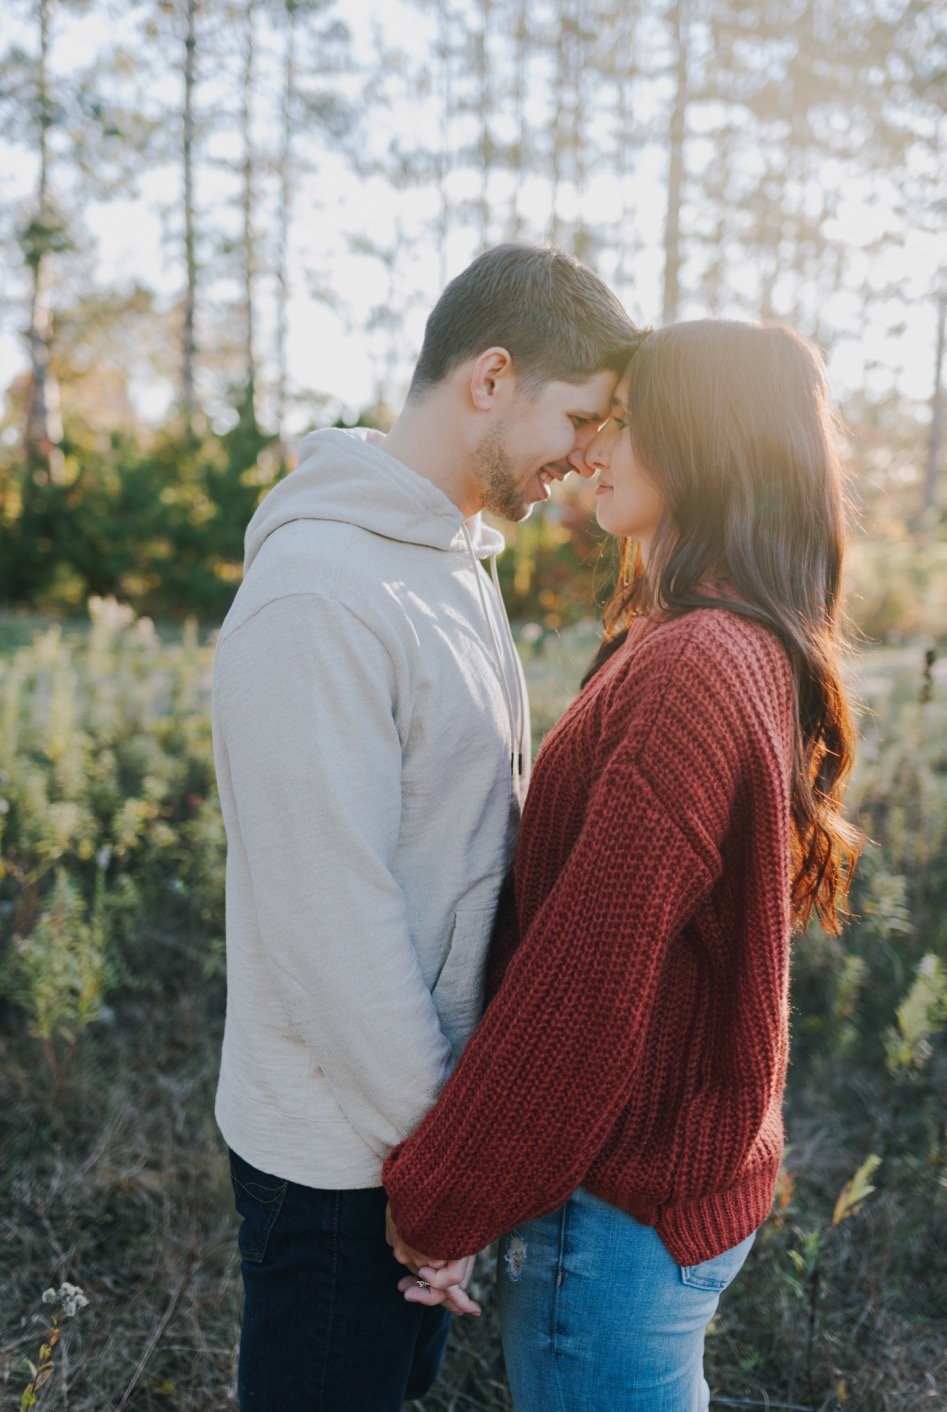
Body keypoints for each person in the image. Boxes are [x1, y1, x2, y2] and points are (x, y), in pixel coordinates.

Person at [379, 319, 861, 1411]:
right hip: (667, 1202)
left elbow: (585, 986)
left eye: (624, 423)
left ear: (707, 442)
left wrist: (443, 1200)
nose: (590, 448)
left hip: (617, 1223)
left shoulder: (696, 659)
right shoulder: (725, 636)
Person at [211, 242, 637, 1410]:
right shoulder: (319, 593)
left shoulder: (449, 559)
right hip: (347, 1158)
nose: (590, 457)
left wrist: (455, 1160)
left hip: (419, 1144)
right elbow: (328, 919)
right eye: (583, 416)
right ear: (492, 378)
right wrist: (440, 1169)